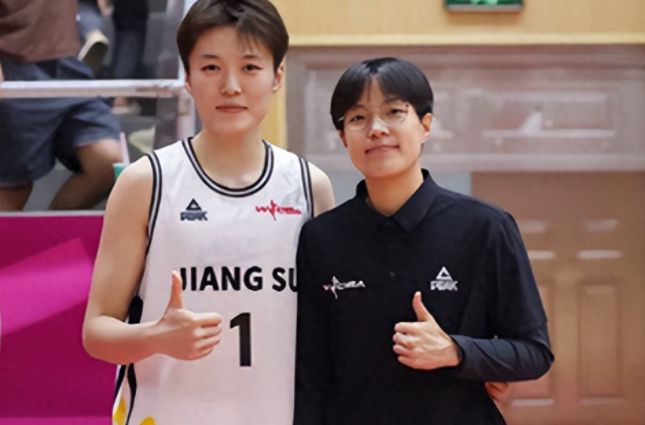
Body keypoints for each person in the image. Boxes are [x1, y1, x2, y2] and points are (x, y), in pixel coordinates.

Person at [81, 1, 334, 424]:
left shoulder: (311, 187)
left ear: (277, 76)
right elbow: (96, 332)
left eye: (250, 67)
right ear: (187, 76)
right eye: (211, 67)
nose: (230, 86)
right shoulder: (146, 182)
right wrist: (155, 337)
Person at [293, 57, 554, 425]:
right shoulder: (321, 238)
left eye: (394, 112)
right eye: (358, 118)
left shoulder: (485, 227)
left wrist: (455, 351)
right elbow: (310, 374)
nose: (376, 129)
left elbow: (534, 353)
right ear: (343, 138)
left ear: (426, 125)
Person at [0, 0, 122, 211]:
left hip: (69, 65)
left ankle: (50, 231)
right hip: (14, 66)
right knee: (13, 187)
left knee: (107, 161)